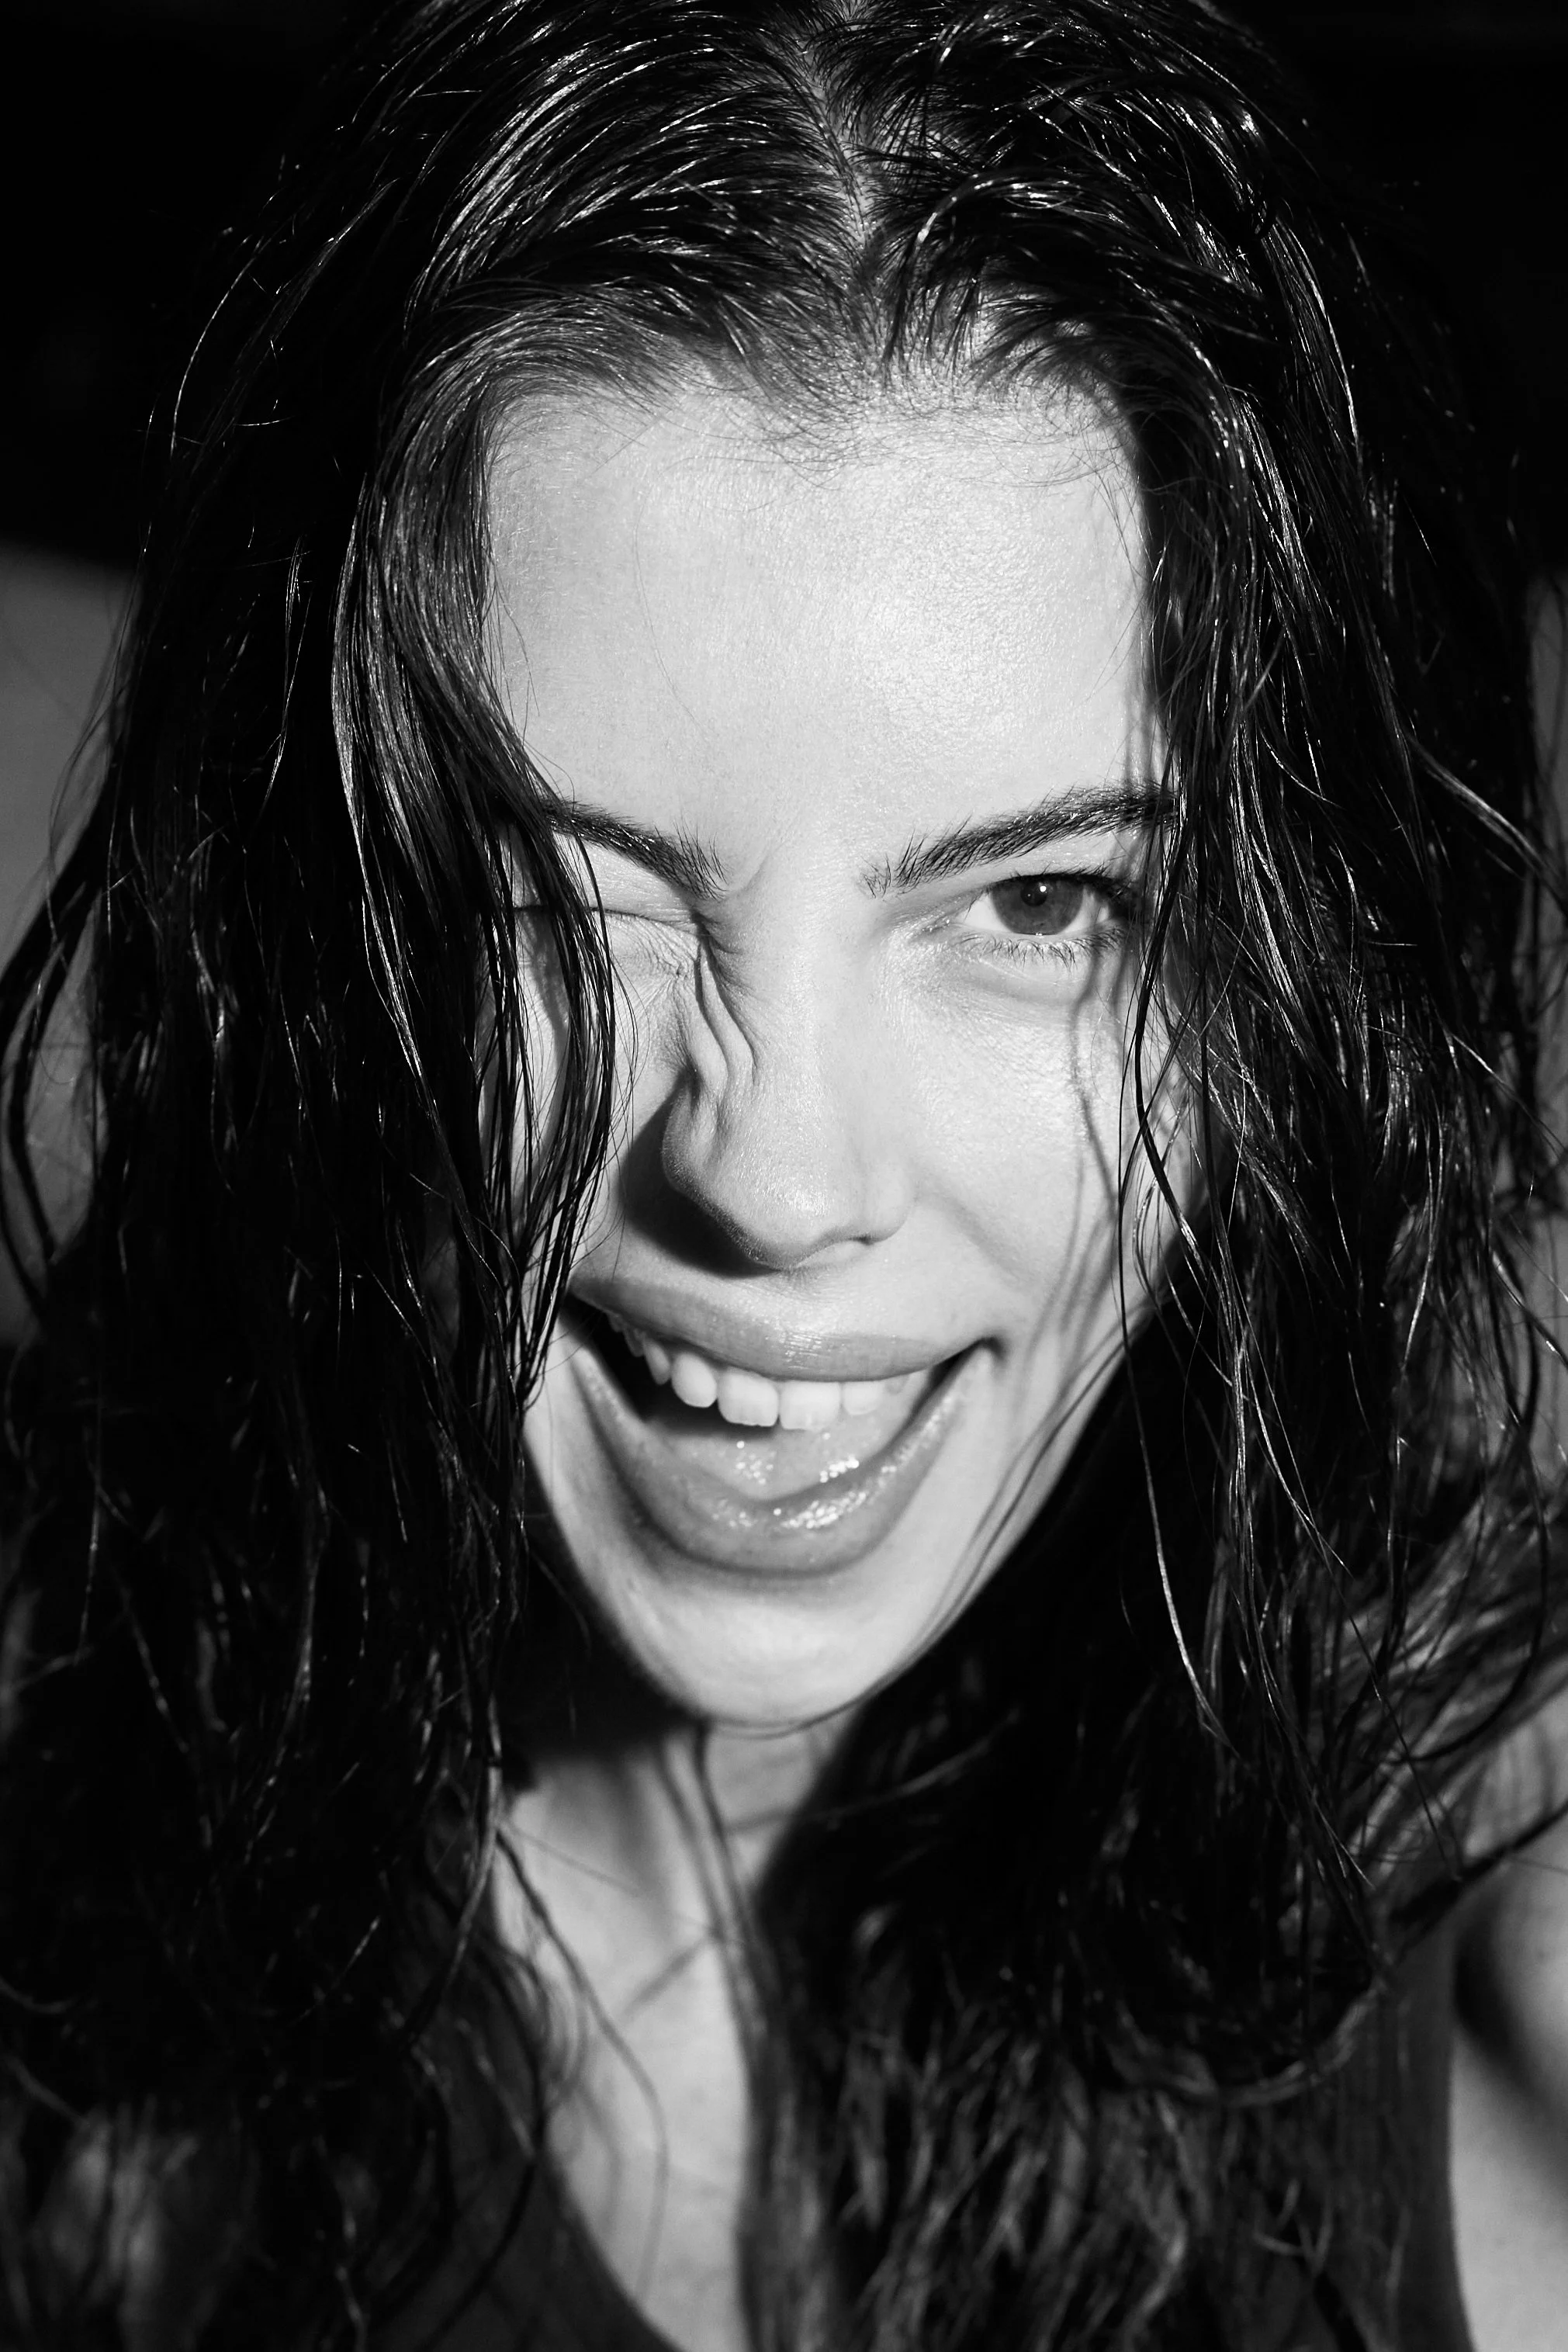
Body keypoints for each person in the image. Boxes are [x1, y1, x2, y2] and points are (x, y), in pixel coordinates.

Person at [0, 1, 1563, 2345]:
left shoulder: (1450, 1794)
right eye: (547, 902)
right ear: (319, 936)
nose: (776, 1174)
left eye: (1040, 903)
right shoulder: (65, 1915)